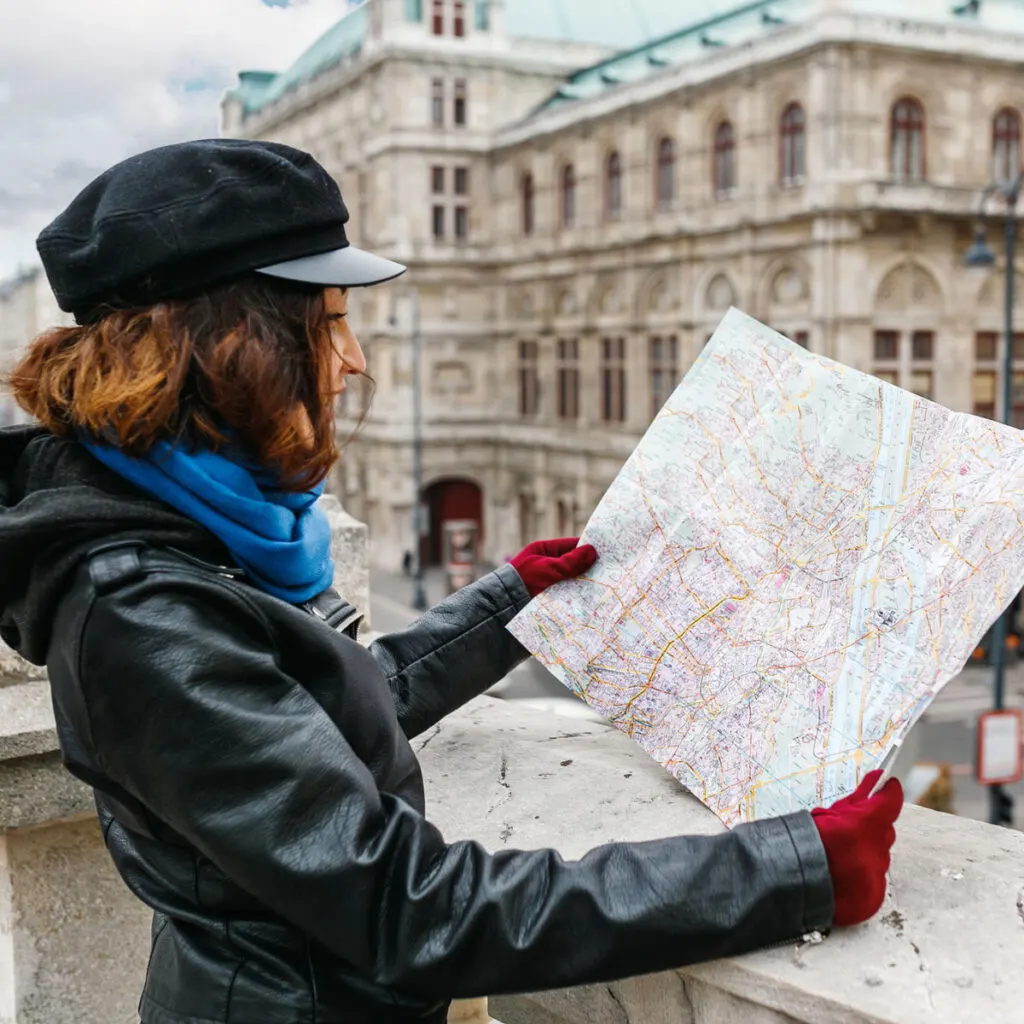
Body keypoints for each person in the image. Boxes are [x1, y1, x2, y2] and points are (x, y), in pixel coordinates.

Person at [0, 140, 903, 1024]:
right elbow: (413, 908)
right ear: (233, 342)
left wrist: (508, 603)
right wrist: (789, 870)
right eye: (329, 323)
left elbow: (310, 715)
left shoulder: (181, 521)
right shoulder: (142, 609)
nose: (354, 362)